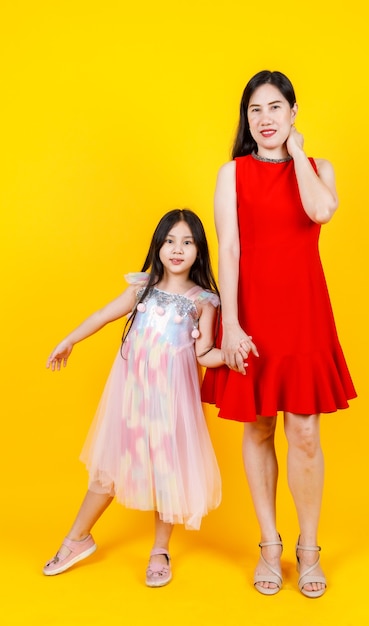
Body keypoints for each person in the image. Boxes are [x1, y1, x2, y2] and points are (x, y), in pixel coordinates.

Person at [202, 70, 357, 598]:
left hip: (305, 313)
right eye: (254, 110)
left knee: (306, 431)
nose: (264, 119)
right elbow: (228, 251)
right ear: (245, 119)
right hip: (252, 313)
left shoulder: (318, 169)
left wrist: (296, 155)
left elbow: (320, 211)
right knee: (259, 427)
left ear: (293, 112)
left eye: (274, 108)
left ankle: (308, 549)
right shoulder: (233, 174)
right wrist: (233, 324)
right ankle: (269, 544)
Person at [43, 209, 231, 587]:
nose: (177, 250)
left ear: (199, 250)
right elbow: (102, 315)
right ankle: (78, 538)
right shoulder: (140, 287)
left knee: (167, 472)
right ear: (158, 246)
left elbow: (204, 353)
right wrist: (70, 340)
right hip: (131, 399)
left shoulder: (203, 302)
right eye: (170, 241)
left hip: (172, 405)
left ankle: (160, 550)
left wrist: (230, 356)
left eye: (187, 242)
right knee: (109, 468)